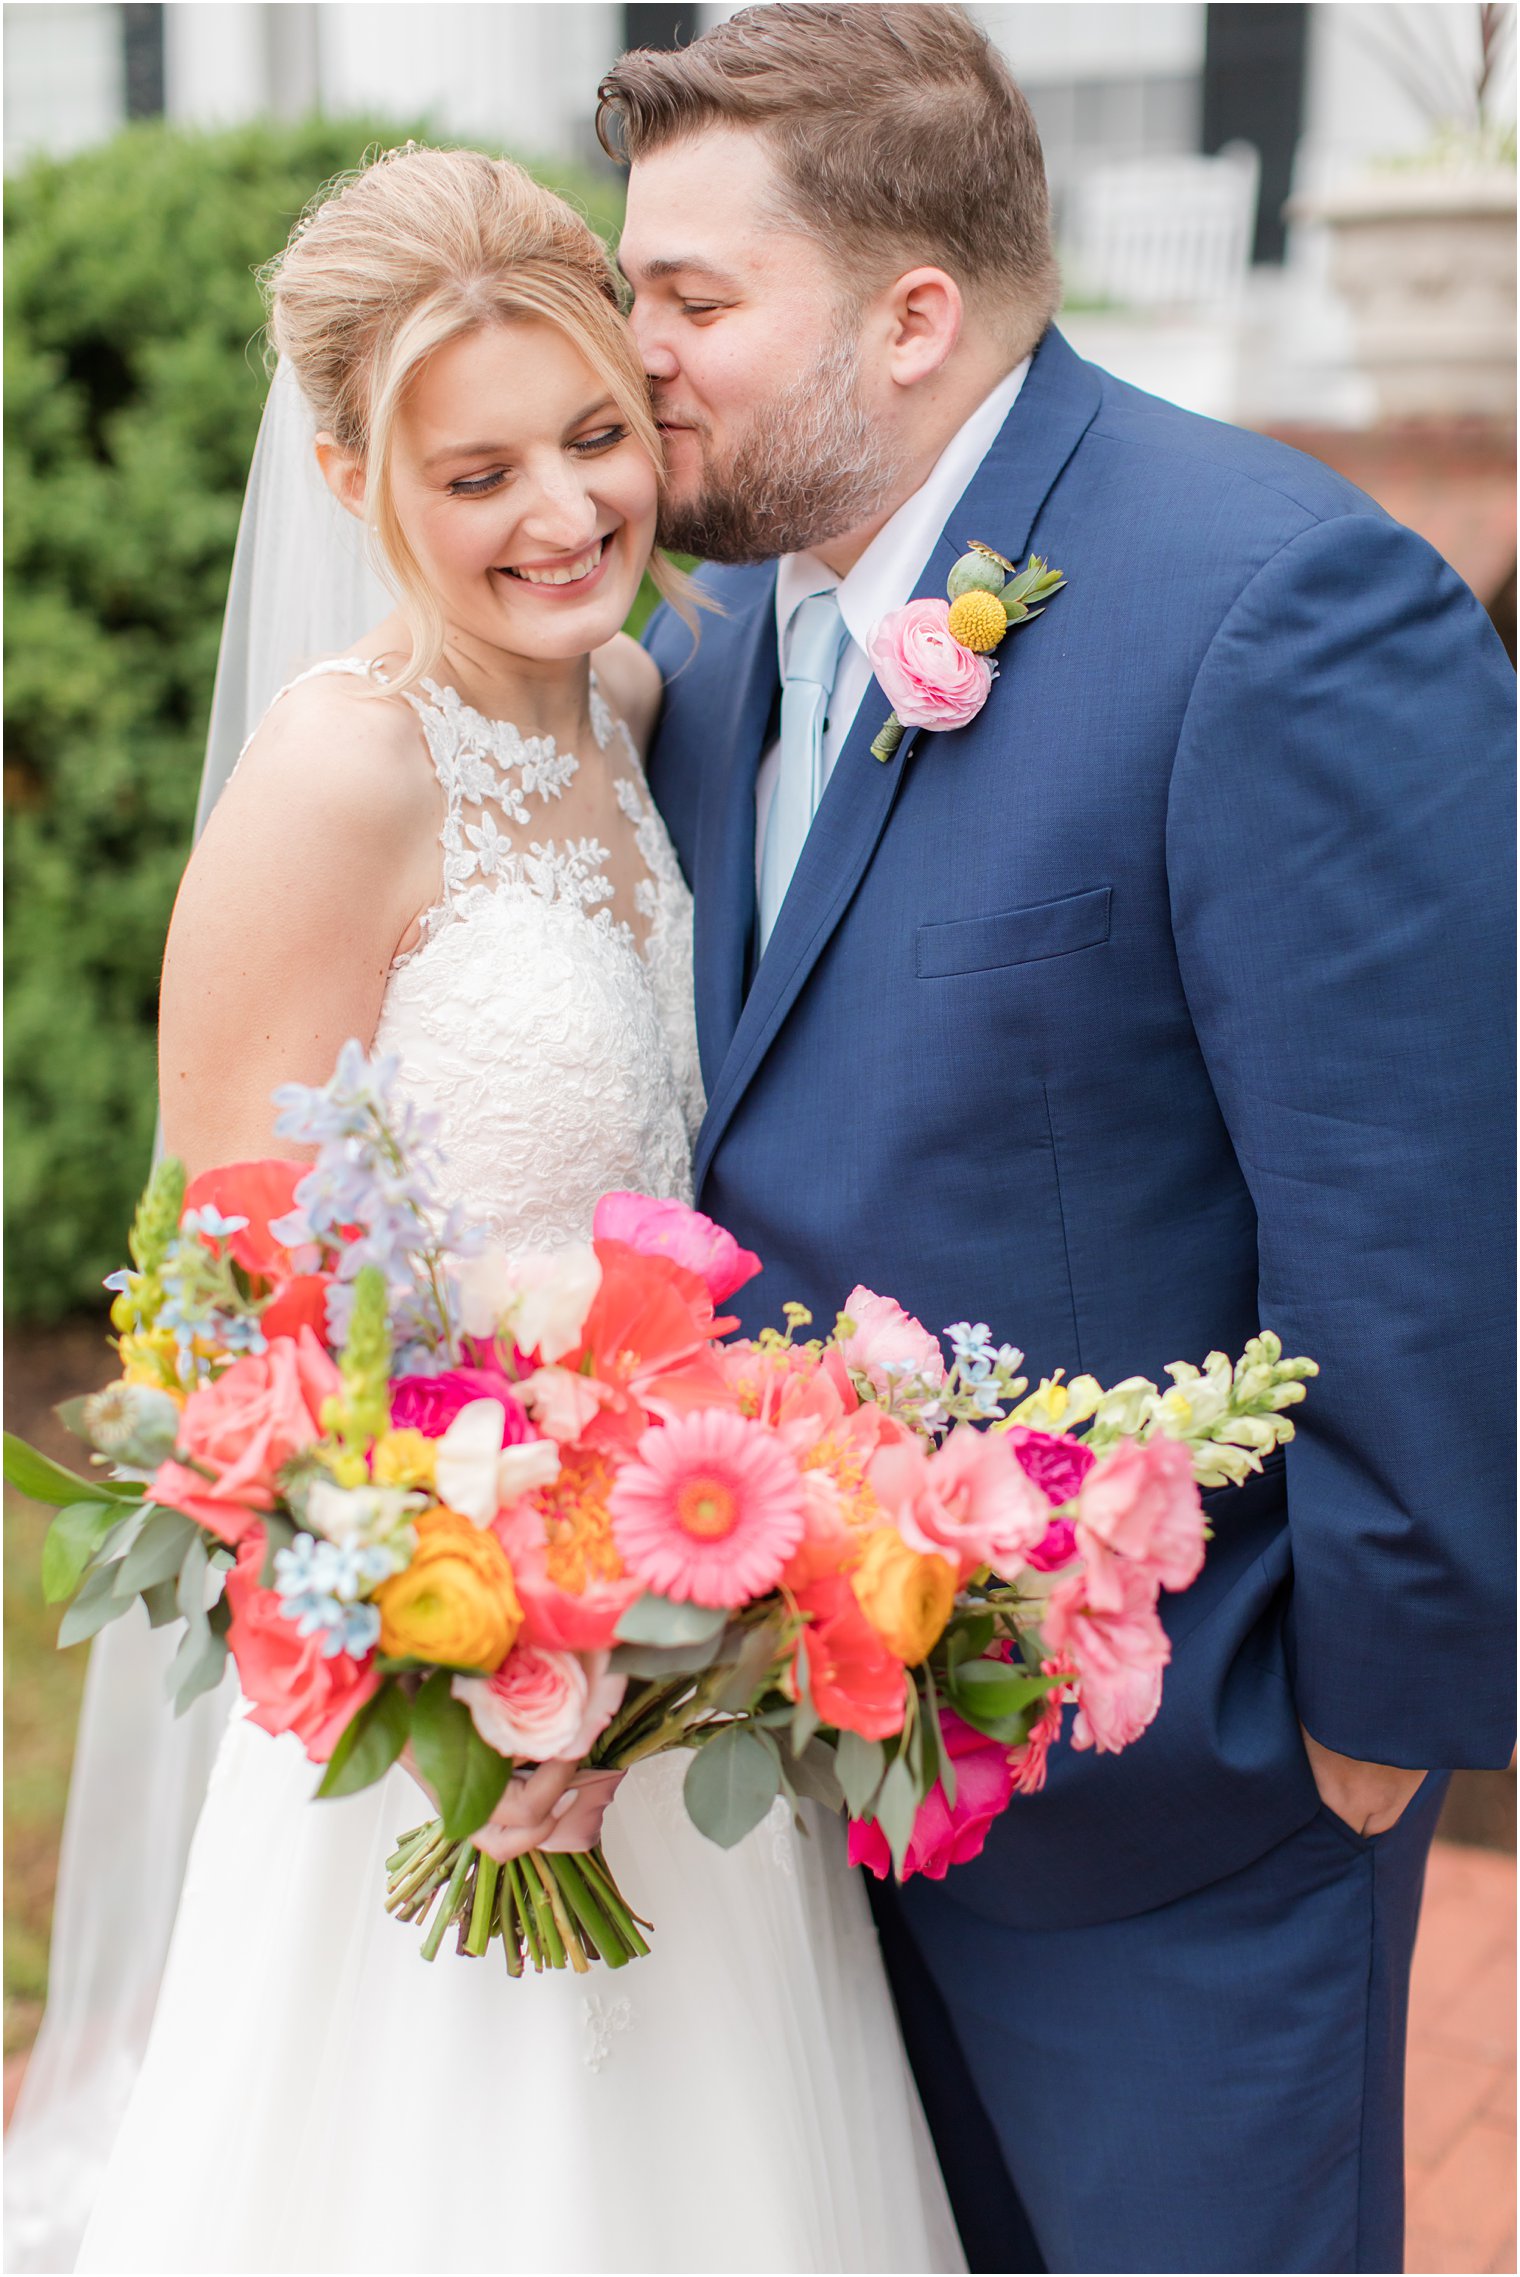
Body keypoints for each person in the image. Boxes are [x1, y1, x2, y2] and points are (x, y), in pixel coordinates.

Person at [604, 8, 1516, 2272]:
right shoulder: (707, 639)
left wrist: (1372, 1728)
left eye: (691, 302)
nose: (632, 364)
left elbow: (1427, 1194)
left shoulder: (1276, 602)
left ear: (913, 316)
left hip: (1171, 1820)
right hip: (790, 1830)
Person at [70, 144, 961, 2276]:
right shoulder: (335, 775)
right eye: (477, 475)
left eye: (591, 435)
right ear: (349, 471)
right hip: (456, 1679)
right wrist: (474, 1657)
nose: (564, 514)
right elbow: (230, 1300)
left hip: (682, 1625)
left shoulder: (643, 703)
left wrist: (668, 1604)